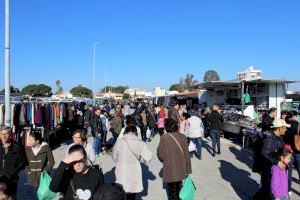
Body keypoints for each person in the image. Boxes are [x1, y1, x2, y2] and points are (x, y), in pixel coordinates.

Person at [112, 125, 152, 200]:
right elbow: (148, 157)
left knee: (122, 193)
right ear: (136, 133)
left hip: (121, 171)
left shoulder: (119, 142)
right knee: (132, 194)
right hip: (134, 172)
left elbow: (114, 157)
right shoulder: (141, 143)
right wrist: (141, 160)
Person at [253, 119, 290, 200]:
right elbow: (264, 154)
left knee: (266, 190)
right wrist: (277, 162)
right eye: (284, 128)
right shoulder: (269, 139)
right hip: (268, 169)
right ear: (279, 128)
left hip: (274, 169)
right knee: (266, 190)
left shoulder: (279, 137)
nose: (286, 129)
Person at [157, 119, 192, 200]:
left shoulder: (164, 138)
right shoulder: (183, 137)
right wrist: (188, 168)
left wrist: (165, 160)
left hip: (170, 167)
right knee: (178, 186)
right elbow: (187, 154)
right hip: (181, 166)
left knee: (171, 190)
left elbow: (160, 154)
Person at [0, 126, 27, 197]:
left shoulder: (17, 147)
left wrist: (14, 171)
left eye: (6, 134)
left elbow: (24, 161)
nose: (4, 136)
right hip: (0, 178)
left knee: (11, 197)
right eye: (2, 134)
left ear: (10, 135)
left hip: (12, 179)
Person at [284, 111, 300, 196]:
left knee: (288, 172)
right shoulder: (297, 124)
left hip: (287, 150)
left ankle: (288, 190)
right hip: (297, 150)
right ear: (294, 116)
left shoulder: (285, 124)